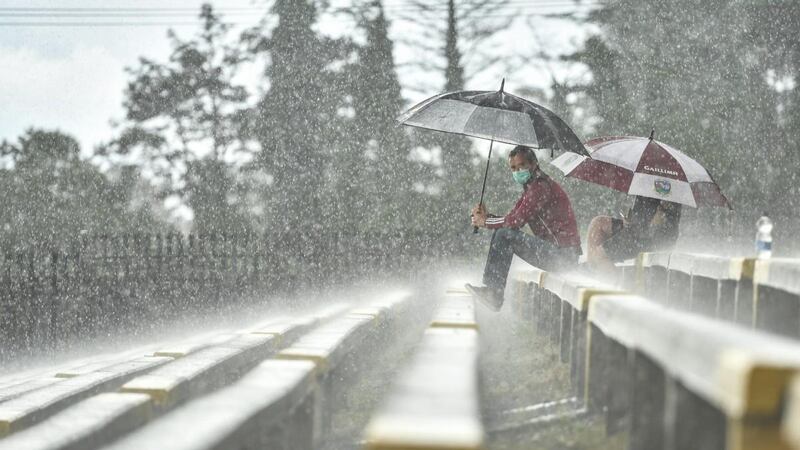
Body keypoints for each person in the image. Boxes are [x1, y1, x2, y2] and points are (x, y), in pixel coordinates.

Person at [466, 145, 582, 311]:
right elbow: (510, 218)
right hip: (556, 254)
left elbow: (516, 221)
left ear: (534, 164)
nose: (517, 171)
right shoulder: (531, 188)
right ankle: (493, 292)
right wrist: (487, 216)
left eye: (521, 166)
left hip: (563, 256)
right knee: (503, 233)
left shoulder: (541, 187)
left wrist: (484, 222)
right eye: (513, 168)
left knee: (505, 235)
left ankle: (494, 293)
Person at [586, 196, 682, 275]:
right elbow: (644, 212)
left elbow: (664, 225)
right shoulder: (646, 178)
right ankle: (597, 271)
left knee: (597, 255)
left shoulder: (664, 184)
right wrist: (630, 219)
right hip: (637, 229)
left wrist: (659, 217)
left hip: (648, 237)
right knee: (598, 223)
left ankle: (616, 284)